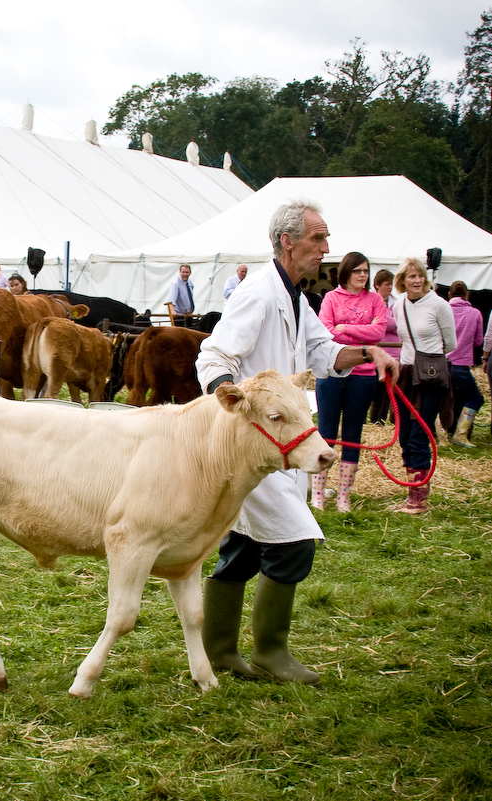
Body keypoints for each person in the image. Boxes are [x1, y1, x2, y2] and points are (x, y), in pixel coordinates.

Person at [196, 201, 397, 685]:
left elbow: (324, 353)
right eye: (317, 240)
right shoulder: (258, 293)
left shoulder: (296, 298)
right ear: (287, 241)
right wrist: (236, 406)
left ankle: (218, 653)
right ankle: (270, 652)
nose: (326, 250)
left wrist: (369, 351)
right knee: (293, 543)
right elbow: (213, 354)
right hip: (254, 443)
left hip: (282, 444)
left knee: (243, 548)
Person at [310, 253, 386, 512]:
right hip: (332, 372)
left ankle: (344, 496)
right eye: (357, 271)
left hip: (363, 375)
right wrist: (358, 331)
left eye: (365, 271)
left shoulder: (375, 299)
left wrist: (346, 329)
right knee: (326, 433)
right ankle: (318, 495)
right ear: (346, 273)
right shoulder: (331, 298)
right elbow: (326, 331)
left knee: (353, 434)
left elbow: (379, 332)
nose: (362, 275)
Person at [392, 258, 456, 514]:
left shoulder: (440, 305)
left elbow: (450, 343)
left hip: (430, 376)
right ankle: (412, 490)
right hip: (406, 372)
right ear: (403, 280)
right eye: (411, 276)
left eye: (420, 275)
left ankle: (419, 498)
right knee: (405, 435)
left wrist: (428, 359)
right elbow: (403, 339)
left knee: (420, 433)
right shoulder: (399, 306)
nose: (417, 280)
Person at [446, 281, 484, 447]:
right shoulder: (475, 313)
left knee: (447, 399)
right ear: (467, 295)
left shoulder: (444, 310)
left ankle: (443, 434)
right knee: (475, 398)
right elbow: (478, 341)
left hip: (443, 363)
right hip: (461, 364)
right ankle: (460, 435)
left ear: (449, 294)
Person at [368, 269, 401, 425]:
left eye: (391, 284)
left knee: (390, 392)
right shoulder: (372, 301)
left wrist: (385, 321)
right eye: (387, 284)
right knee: (377, 391)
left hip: (395, 352)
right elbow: (384, 323)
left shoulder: (397, 302)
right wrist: (390, 321)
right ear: (377, 285)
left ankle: (381, 422)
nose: (390, 287)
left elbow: (400, 324)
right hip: (378, 352)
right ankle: (374, 422)